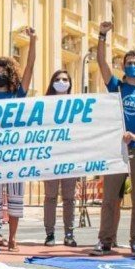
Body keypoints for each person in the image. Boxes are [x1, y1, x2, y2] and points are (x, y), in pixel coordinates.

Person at [92, 21, 135, 256]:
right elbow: (101, 63)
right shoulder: (117, 87)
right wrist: (102, 35)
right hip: (116, 149)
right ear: (123, 66)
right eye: (128, 63)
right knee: (110, 198)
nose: (132, 66)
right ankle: (105, 240)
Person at [0, 28, 36, 252]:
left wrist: (32, 41)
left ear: (11, 74)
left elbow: (30, 68)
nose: (0, 74)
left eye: (4, 71)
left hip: (14, 155)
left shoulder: (17, 96)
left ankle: (12, 238)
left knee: (15, 198)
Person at [43, 70, 79, 247]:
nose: (61, 82)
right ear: (52, 82)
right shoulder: (45, 104)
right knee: (50, 197)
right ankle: (50, 234)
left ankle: (69, 234)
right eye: (57, 79)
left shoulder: (77, 104)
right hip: (50, 156)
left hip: (70, 156)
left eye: (65, 79)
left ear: (70, 83)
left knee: (69, 198)